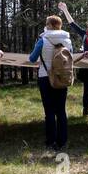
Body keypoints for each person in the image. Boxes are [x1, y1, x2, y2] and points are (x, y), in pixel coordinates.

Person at [29, 14, 73, 151]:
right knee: (61, 110)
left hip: (45, 76)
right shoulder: (67, 40)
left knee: (49, 111)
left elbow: (32, 58)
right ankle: (63, 141)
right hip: (62, 77)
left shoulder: (42, 40)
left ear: (49, 25)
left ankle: (51, 141)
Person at [59, 1, 88, 116]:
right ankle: (86, 110)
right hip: (87, 68)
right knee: (86, 91)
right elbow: (72, 24)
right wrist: (65, 10)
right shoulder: (84, 35)